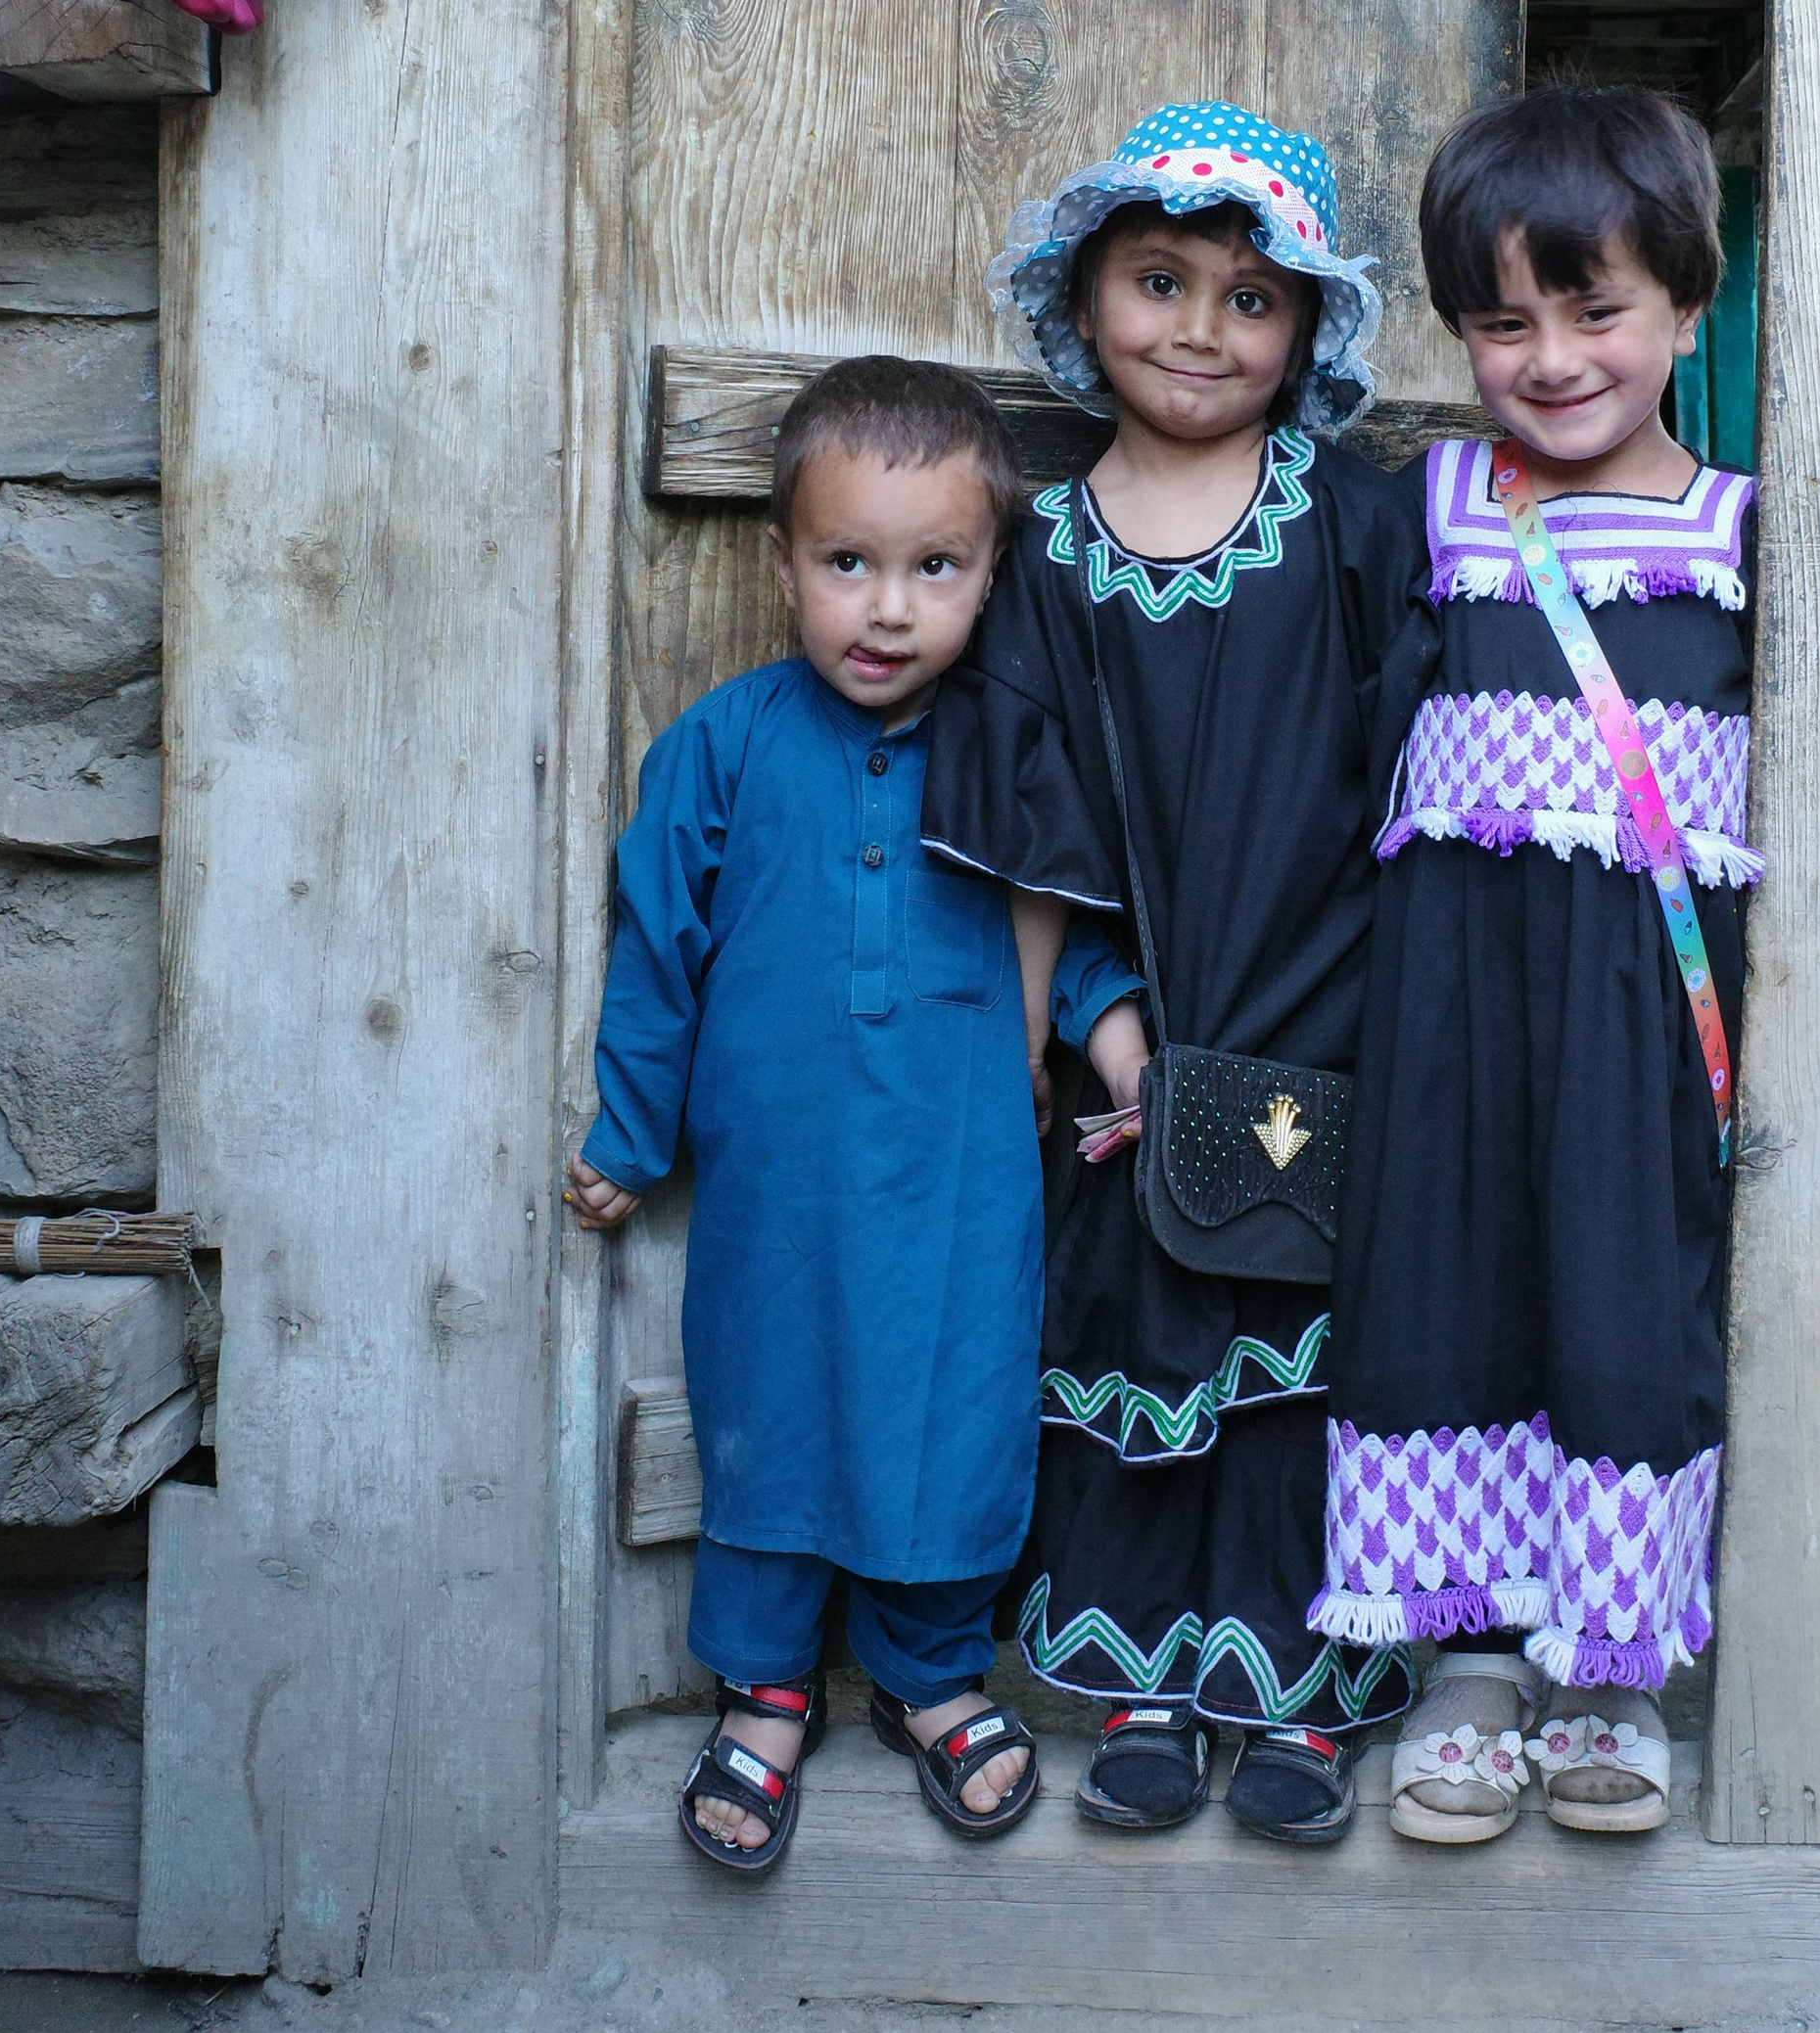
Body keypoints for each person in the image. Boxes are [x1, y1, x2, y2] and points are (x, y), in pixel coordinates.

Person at [564, 356, 1139, 1879]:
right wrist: (630, 1135)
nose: (889, 610)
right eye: (849, 565)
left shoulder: (1009, 753)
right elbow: (656, 948)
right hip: (779, 1182)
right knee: (768, 1407)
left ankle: (932, 1672)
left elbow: (1070, 932)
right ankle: (761, 1687)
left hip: (960, 1178)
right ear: (783, 563)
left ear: (990, 573)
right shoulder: (723, 747)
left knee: (952, 1408)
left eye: (934, 567)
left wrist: (1125, 1048)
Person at [923, 105, 1424, 1847]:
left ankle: (1306, 1696)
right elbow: (1035, 819)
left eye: (1251, 297)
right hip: (1144, 1032)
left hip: (1333, 1016)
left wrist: (1393, 1028)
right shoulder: (1043, 560)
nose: (1203, 329)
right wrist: (1104, 1044)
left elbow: (1415, 781)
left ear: (1310, 332)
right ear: (1087, 297)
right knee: (1139, 1339)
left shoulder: (1354, 530)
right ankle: (1146, 1687)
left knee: (1304, 1354)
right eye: (1160, 281)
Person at [1313, 86, 1757, 1844]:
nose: (1553, 357)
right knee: (1447, 1282)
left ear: (1686, 309)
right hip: (1451, 1003)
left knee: (1625, 1299)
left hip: (1643, 1015)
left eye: (1600, 311)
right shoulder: (1425, 513)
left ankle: (1610, 1668)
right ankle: (1469, 1665)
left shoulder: (1744, 540)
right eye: (1504, 321)